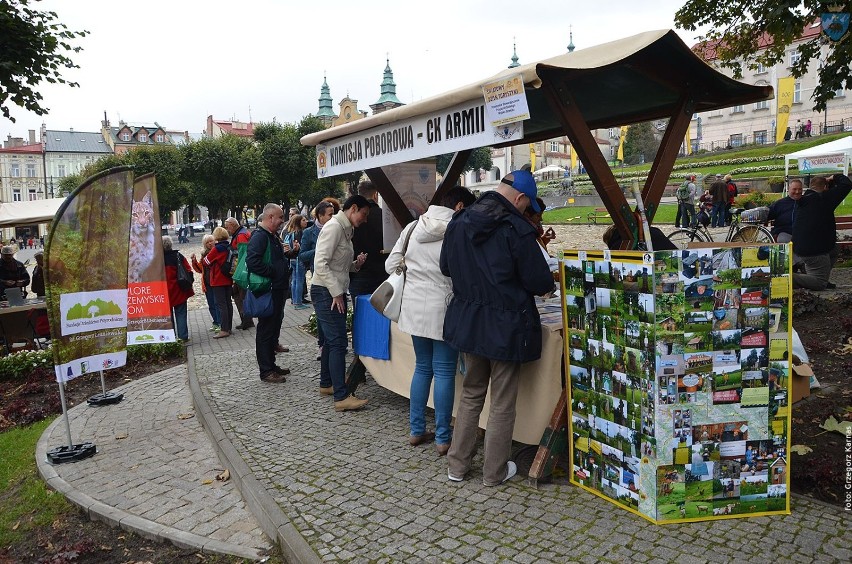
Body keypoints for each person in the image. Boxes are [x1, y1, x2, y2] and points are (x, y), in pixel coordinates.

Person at [441, 171, 554, 486]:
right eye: (525, 205)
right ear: (518, 199)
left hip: (468, 322)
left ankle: (457, 467)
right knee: (502, 400)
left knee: (471, 394)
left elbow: (446, 267)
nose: (525, 211)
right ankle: (494, 472)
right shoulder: (515, 229)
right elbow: (540, 281)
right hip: (506, 327)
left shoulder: (459, 221)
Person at [387, 186, 475, 456]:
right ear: (459, 206)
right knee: (445, 371)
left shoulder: (413, 228)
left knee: (423, 367)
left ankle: (416, 431)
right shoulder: (460, 229)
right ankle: (442, 438)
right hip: (444, 308)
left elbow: (391, 265)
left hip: (413, 308)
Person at [311, 195, 370, 411]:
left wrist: (356, 265)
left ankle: (327, 384)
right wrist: (336, 293)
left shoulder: (346, 229)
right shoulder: (334, 227)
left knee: (330, 340)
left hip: (331, 290)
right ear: (353, 208)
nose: (364, 220)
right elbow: (321, 264)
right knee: (338, 343)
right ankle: (341, 396)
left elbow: (339, 265)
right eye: (363, 214)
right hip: (325, 291)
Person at [346, 181, 390, 393]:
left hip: (359, 275)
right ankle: (382, 364)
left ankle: (359, 366)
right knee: (383, 318)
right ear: (375, 195)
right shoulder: (383, 215)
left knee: (359, 320)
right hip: (381, 273)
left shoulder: (349, 219)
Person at [246, 204, 296, 383]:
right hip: (269, 290)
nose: (282, 221)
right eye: (280, 217)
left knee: (273, 329)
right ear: (270, 217)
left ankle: (271, 365)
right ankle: (266, 371)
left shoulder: (271, 235)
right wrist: (274, 272)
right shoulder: (260, 236)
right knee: (266, 331)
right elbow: (252, 262)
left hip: (278, 289)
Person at [792, 174, 852, 290]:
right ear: (825, 187)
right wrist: (833, 177)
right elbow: (846, 184)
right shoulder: (824, 198)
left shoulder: (805, 199)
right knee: (820, 284)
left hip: (802, 246)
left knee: (834, 250)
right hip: (814, 250)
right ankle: (789, 278)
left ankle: (819, 276)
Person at [300, 201, 336, 361]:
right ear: (320, 216)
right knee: (322, 315)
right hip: (319, 279)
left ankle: (334, 344)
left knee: (334, 314)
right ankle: (322, 345)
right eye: (329, 214)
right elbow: (302, 255)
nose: (332, 217)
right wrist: (320, 249)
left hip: (336, 277)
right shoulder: (309, 232)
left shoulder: (337, 229)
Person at [162, 236, 194, 342]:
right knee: (181, 313)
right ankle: (183, 336)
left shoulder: (158, 259)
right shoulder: (178, 256)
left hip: (164, 291)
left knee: (168, 315)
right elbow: (189, 271)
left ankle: (171, 337)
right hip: (179, 290)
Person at [224, 217, 253, 330]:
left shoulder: (240, 236)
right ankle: (246, 319)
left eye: (228, 227)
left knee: (240, 295)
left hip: (241, 271)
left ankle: (246, 319)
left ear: (232, 225)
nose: (227, 230)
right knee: (239, 294)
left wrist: (237, 274)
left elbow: (242, 255)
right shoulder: (242, 232)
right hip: (242, 270)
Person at [191, 234, 221, 332]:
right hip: (207, 283)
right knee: (211, 304)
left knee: (217, 304)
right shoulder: (204, 254)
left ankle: (220, 323)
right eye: (207, 242)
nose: (209, 243)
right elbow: (200, 269)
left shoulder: (218, 251)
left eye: (211, 241)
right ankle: (216, 322)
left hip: (216, 282)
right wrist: (194, 261)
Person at [284, 214, 310, 310]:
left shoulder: (291, 232)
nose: (306, 221)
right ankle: (298, 302)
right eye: (303, 220)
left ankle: (295, 300)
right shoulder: (300, 233)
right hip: (299, 259)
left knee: (295, 280)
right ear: (299, 222)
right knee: (299, 280)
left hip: (293, 259)